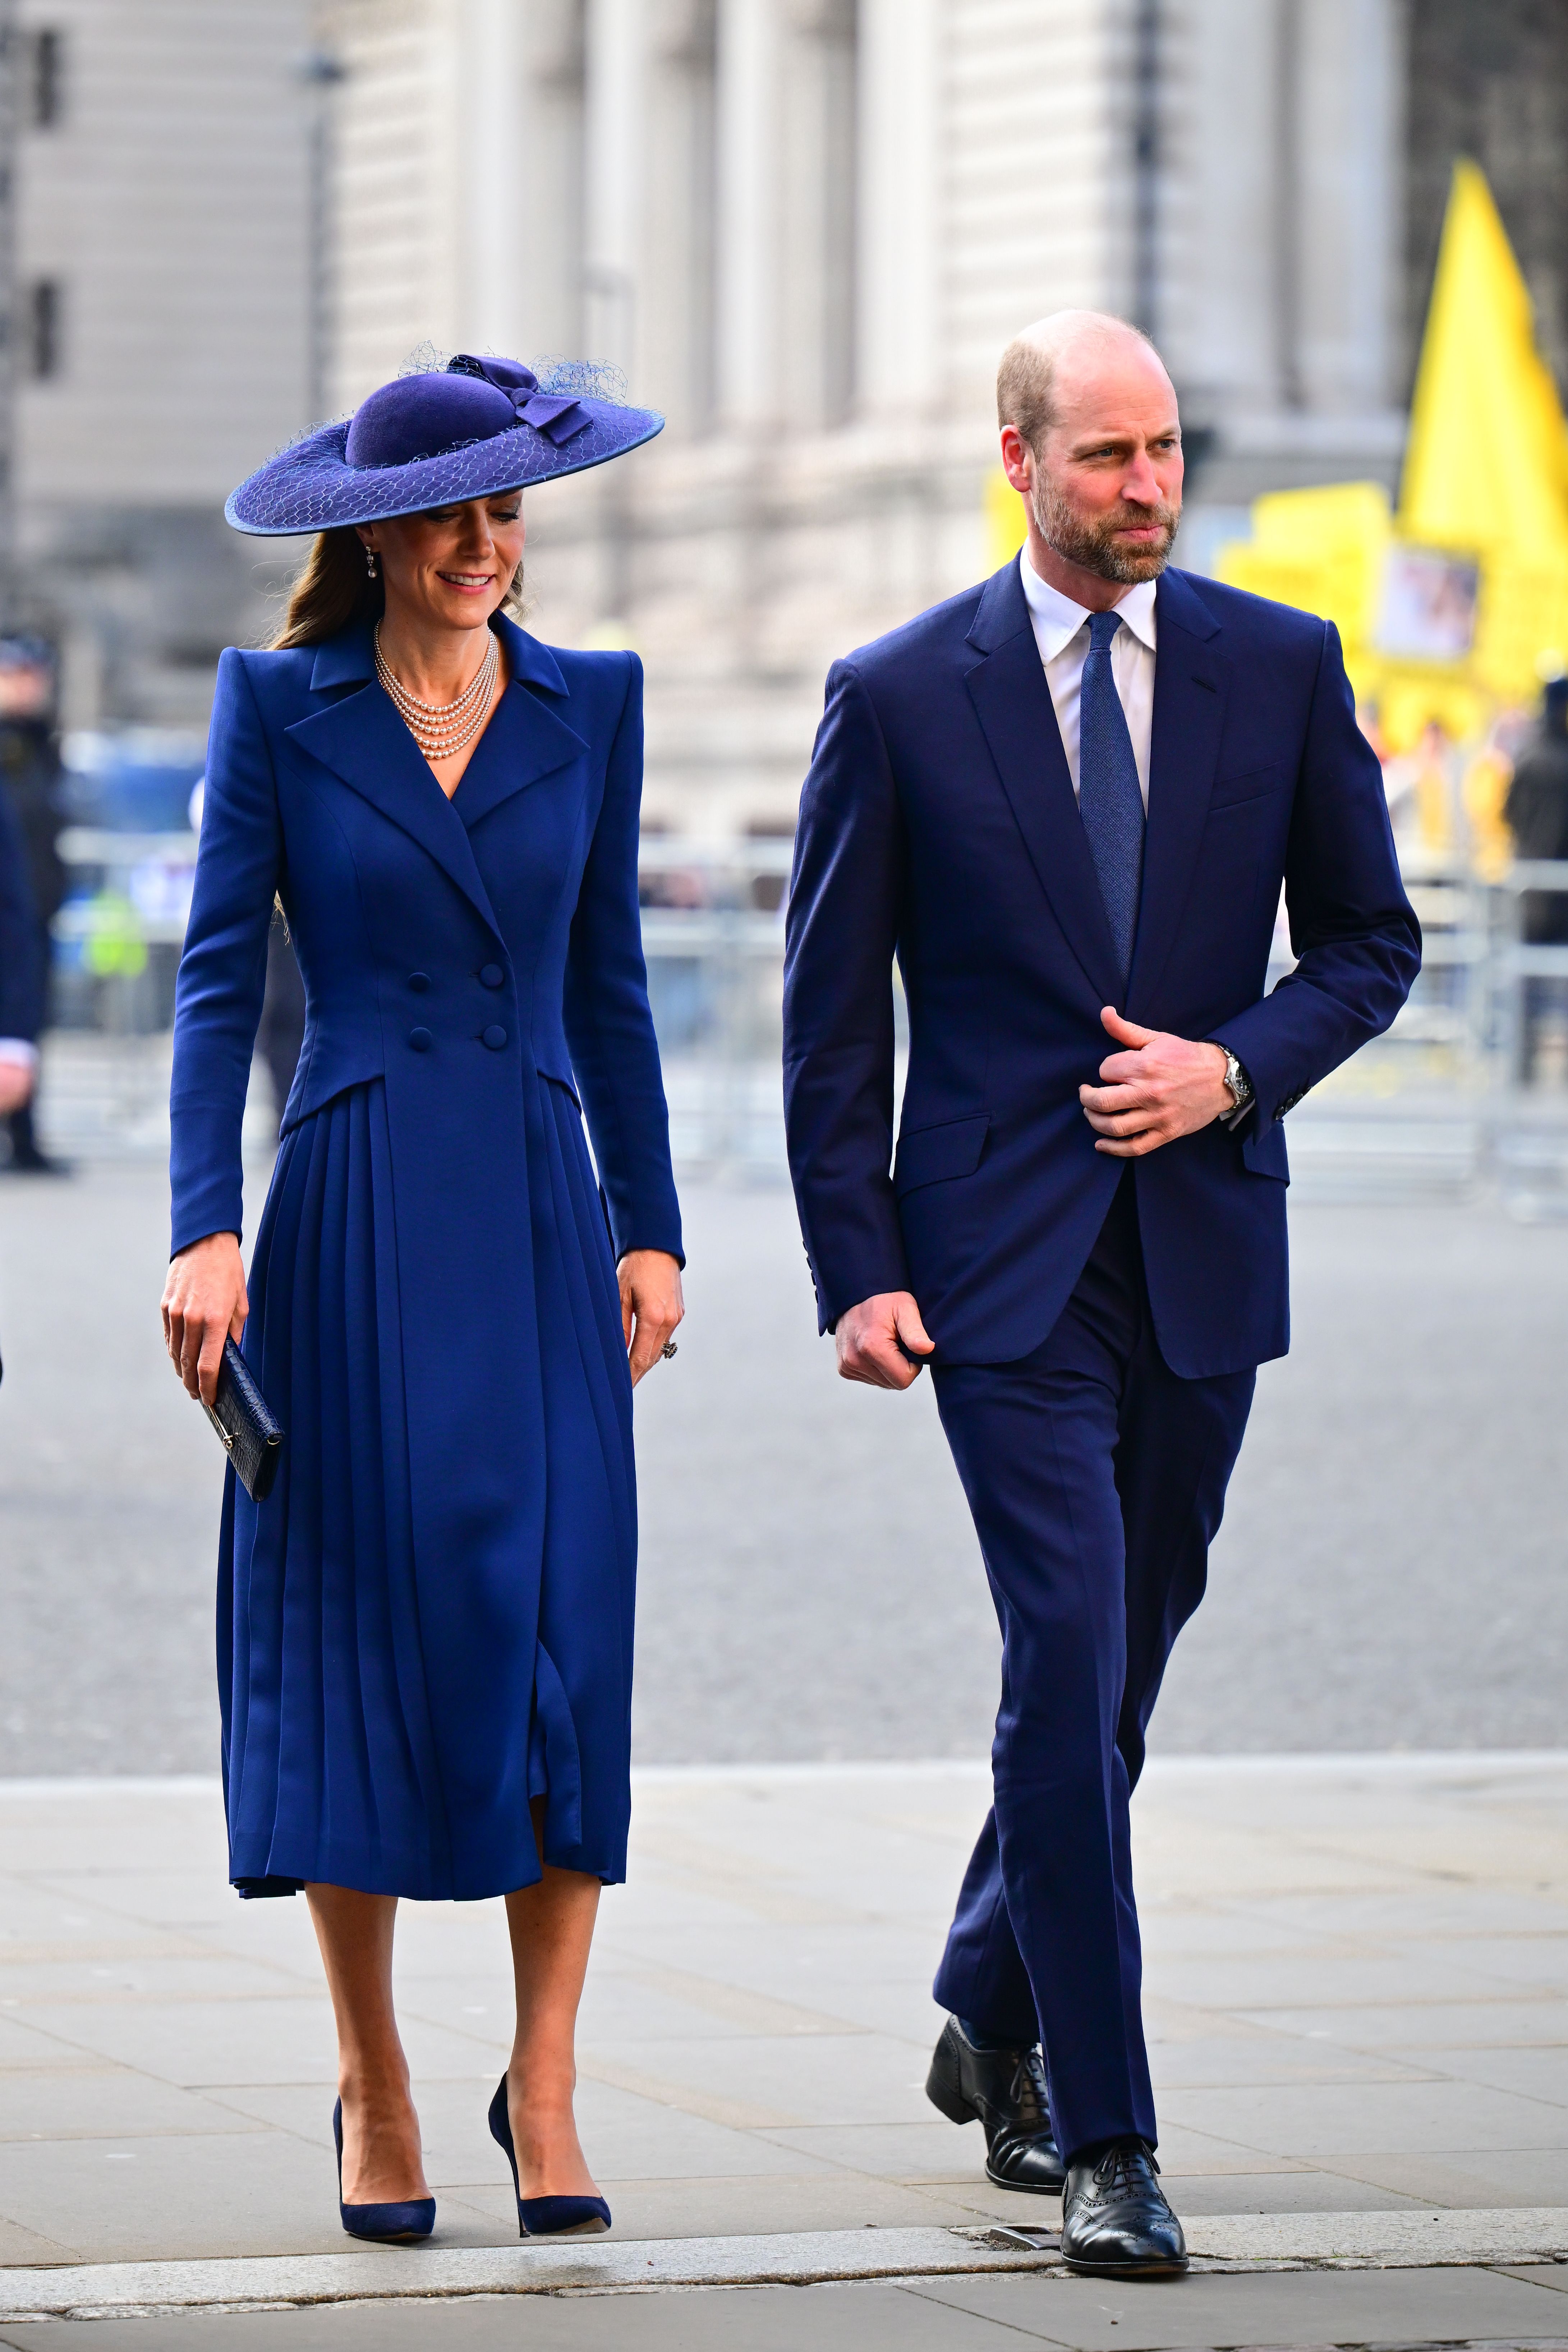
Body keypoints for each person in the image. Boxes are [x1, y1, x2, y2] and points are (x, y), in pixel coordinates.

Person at [782, 312, 1420, 2278]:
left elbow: (1370, 948)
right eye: (1106, 458)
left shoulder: (1276, 666)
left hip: (1203, 1252)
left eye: (1162, 453)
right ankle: (1101, 2136)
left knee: (1121, 1667)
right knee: (1063, 1654)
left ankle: (985, 1989)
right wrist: (855, 1268)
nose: (1145, 488)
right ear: (1017, 461)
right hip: (994, 1273)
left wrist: (1232, 1066)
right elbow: (828, 1031)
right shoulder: (895, 696)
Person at [161, 353, 684, 2245]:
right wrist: (201, 1228)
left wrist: (655, 1225)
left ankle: (542, 2086)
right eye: (454, 515)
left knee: (561, 1635)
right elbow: (217, 987)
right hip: (357, 1214)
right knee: (362, 1645)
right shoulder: (277, 711)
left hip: (546, 1208)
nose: (489, 544)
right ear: (377, 534)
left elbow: (610, 984)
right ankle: (374, 2085)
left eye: (510, 509)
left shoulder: (594, 702)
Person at [1504, 674, 1568, 1081]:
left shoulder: (1527, 757)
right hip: (1560, 891)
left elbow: (1506, 813)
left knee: (1524, 987)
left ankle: (1521, 1069)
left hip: (1528, 889)